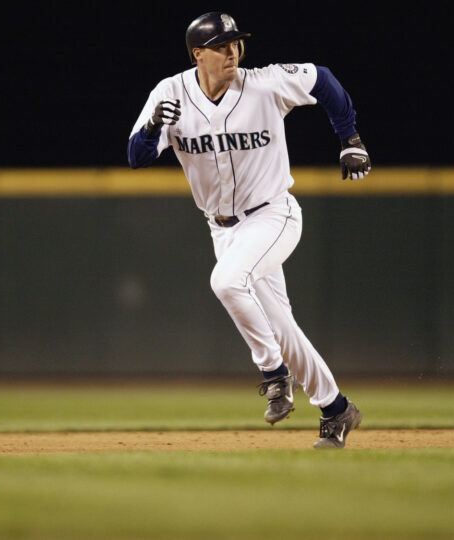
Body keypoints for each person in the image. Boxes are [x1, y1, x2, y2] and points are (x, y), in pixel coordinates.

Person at [127, 12, 370, 448]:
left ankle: (274, 374)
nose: (232, 52)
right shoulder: (169, 93)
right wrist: (151, 127)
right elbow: (136, 157)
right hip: (223, 229)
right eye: (222, 46)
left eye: (236, 43)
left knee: (226, 281)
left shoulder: (263, 83)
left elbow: (323, 79)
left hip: (273, 215)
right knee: (281, 325)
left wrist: (350, 138)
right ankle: (336, 409)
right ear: (198, 54)